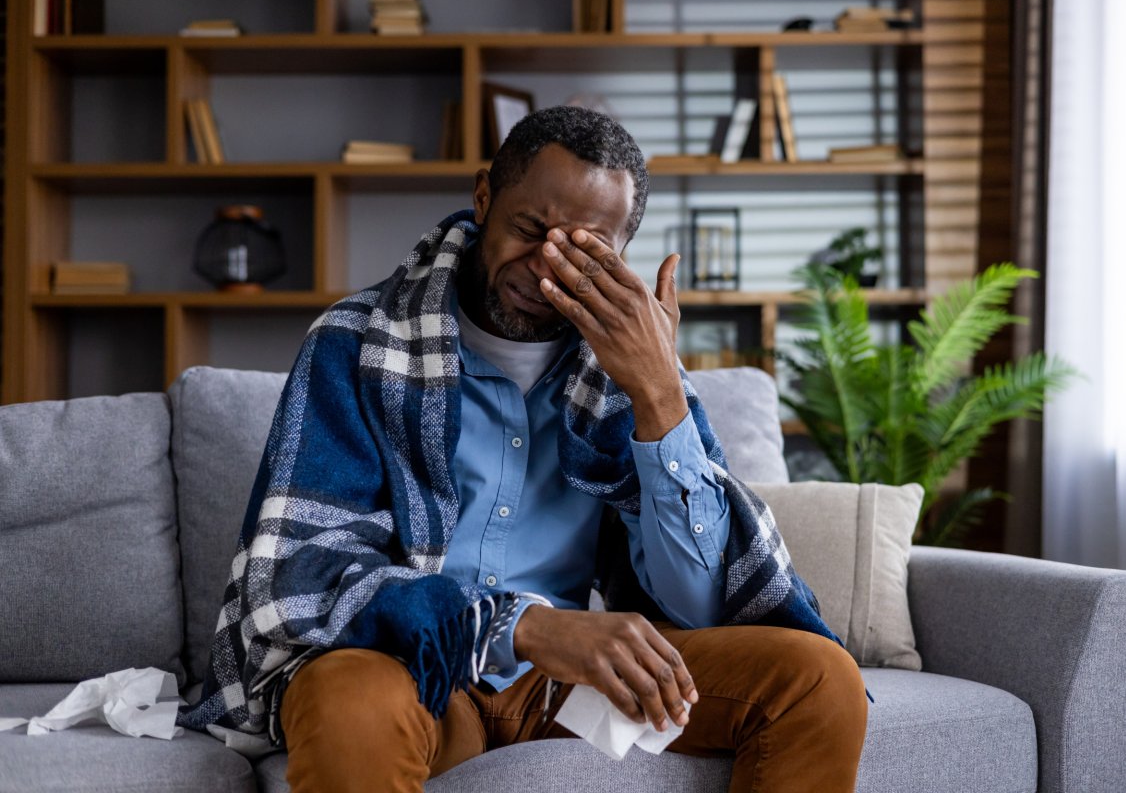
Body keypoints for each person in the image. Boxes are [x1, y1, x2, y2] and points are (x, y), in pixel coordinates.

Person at [179, 105, 867, 792]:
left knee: (816, 681)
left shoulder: (632, 372)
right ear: (483, 198)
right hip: (418, 672)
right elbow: (303, 571)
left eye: (584, 248)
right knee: (348, 700)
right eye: (530, 230)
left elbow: (698, 605)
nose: (545, 269)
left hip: (575, 686)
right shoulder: (357, 343)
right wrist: (517, 625)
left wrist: (659, 396)